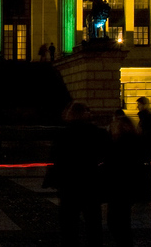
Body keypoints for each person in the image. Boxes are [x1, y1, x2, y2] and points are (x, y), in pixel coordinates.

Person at [46, 101, 109, 246]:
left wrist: (54, 179)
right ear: (87, 114)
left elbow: (55, 159)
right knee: (93, 224)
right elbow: (107, 157)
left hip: (69, 185)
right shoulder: (98, 133)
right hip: (91, 183)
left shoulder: (63, 134)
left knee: (68, 225)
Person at [106, 110, 141, 247]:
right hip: (128, 187)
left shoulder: (119, 144)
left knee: (115, 221)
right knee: (123, 221)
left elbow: (112, 164)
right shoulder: (133, 141)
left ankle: (124, 243)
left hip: (118, 187)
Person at [136, 96, 151, 203]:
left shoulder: (146, 117)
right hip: (146, 148)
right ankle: (144, 194)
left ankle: (145, 195)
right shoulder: (146, 116)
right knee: (144, 171)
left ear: (144, 105)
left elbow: (145, 134)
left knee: (145, 172)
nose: (137, 107)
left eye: (139, 104)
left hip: (144, 148)